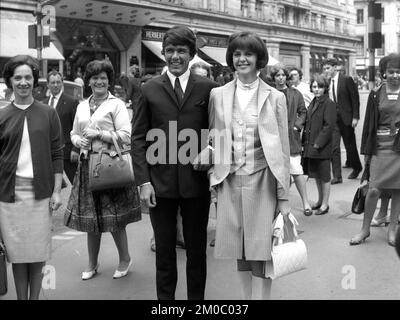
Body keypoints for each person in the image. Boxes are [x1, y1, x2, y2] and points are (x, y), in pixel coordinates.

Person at [195, 31, 291, 300]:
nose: (242, 59)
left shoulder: (275, 97)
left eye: (248, 53)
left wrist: (284, 197)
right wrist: (212, 158)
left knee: (263, 251)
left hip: (263, 180)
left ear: (259, 58)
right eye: (237, 54)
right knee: (239, 249)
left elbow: (283, 149)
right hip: (230, 180)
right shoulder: (218, 94)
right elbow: (215, 136)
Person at [132, 26, 218, 300]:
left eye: (181, 51)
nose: (175, 56)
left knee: (196, 254)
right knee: (165, 254)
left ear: (192, 54)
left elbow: (221, 133)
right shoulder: (149, 89)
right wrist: (144, 182)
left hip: (197, 186)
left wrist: (213, 151)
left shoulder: (209, 89)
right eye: (170, 51)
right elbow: (138, 139)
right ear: (164, 53)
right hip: (160, 186)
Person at [64, 59, 141, 280]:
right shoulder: (81, 106)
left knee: (114, 218)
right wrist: (77, 141)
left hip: (109, 165)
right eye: (95, 78)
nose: (99, 81)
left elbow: (126, 136)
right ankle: (92, 263)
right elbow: (73, 133)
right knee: (91, 220)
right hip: (87, 166)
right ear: (88, 81)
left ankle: (125, 259)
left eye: (103, 78)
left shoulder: (116, 104)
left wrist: (100, 135)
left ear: (109, 81)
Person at [0, 55, 63, 299]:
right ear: (10, 82)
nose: (23, 82)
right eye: (18, 78)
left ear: (35, 81)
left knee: (37, 254)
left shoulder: (48, 114)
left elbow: (57, 154)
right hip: (9, 197)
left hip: (40, 196)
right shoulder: (2, 116)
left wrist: (57, 190)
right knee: (17, 256)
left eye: (28, 77)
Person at [350, 54, 400, 246]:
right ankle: (365, 229)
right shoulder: (375, 93)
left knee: (398, 191)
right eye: (391, 72)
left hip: (399, 148)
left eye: (398, 71)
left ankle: (392, 231)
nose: (395, 75)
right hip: (381, 146)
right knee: (373, 189)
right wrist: (367, 153)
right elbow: (369, 125)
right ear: (384, 73)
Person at [271, 63, 312, 216]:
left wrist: (297, 126)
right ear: (274, 77)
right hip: (273, 136)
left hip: (291, 136)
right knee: (278, 172)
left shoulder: (295, 93)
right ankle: (280, 204)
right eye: (277, 75)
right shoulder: (269, 92)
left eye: (283, 75)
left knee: (296, 169)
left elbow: (303, 111)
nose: (280, 78)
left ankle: (306, 202)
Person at [322, 58, 362, 184]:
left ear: (335, 67)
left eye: (328, 68)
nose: (326, 71)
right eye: (324, 69)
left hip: (346, 118)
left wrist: (355, 117)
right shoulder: (327, 82)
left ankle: (357, 167)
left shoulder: (346, 80)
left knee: (350, 146)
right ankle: (337, 176)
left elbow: (355, 99)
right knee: (334, 147)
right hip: (333, 119)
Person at [302, 75, 337, 215]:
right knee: (316, 174)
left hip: (321, 146)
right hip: (312, 145)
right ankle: (320, 200)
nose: (316, 90)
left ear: (325, 88)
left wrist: (318, 143)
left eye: (320, 87)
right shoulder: (314, 102)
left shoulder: (329, 103)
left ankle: (325, 204)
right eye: (315, 87)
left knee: (325, 176)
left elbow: (329, 126)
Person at [42, 70, 79, 184]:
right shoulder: (42, 104)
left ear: (62, 83)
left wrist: (76, 149)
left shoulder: (72, 102)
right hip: (47, 153)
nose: (55, 85)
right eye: (52, 82)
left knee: (77, 184)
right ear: (48, 84)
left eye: (58, 82)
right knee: (48, 185)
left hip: (68, 153)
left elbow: (78, 127)